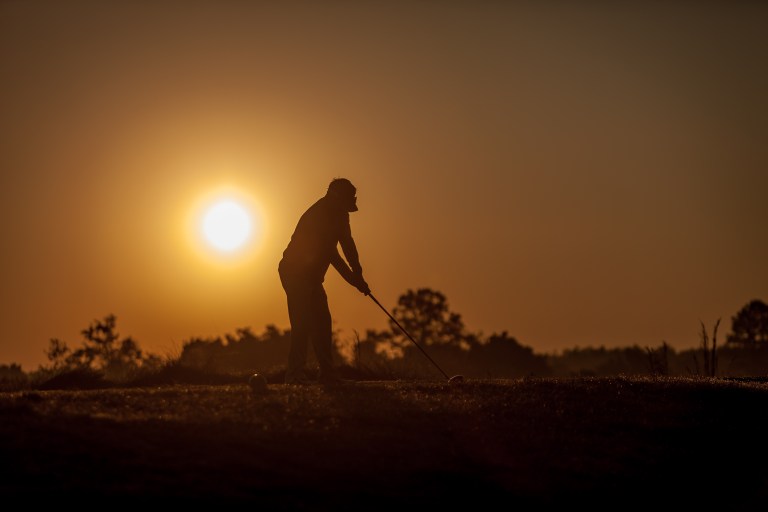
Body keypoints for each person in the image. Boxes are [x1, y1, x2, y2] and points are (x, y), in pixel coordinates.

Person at [278, 178, 370, 385]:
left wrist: (359, 275)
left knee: (322, 323)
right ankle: (294, 376)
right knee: (302, 323)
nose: (348, 206)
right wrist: (355, 281)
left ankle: (327, 374)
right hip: (295, 273)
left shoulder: (340, 215)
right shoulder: (317, 216)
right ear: (335, 196)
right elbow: (333, 256)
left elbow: (348, 245)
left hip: (311, 277)